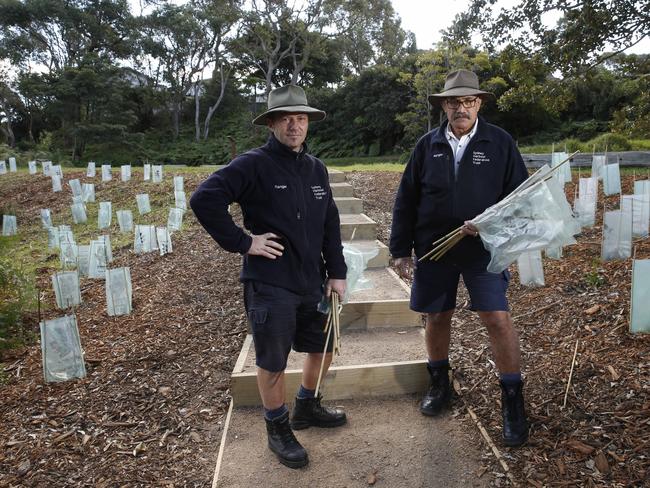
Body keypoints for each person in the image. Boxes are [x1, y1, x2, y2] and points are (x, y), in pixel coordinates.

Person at [190, 85, 348, 468]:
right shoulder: (253, 164)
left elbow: (329, 221)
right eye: (286, 118)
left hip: (313, 280)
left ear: (308, 123)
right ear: (273, 123)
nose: (294, 126)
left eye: (301, 118)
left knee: (322, 347)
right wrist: (244, 242)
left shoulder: (316, 168)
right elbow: (203, 199)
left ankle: (306, 407)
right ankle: (277, 428)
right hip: (270, 282)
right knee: (273, 360)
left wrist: (337, 272)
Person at [389, 69, 530, 447]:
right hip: (435, 248)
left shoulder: (499, 143)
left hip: (482, 250)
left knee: (497, 318)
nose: (461, 108)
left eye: (468, 101)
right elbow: (407, 199)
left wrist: (490, 224)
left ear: (479, 103)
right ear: (444, 106)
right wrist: (400, 248)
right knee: (436, 316)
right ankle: (440, 384)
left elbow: (519, 200)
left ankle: (512, 399)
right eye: (454, 102)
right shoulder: (427, 145)